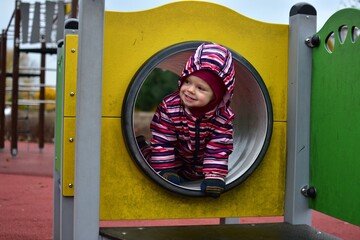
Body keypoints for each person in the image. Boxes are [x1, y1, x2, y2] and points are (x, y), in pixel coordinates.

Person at [138, 42, 235, 198]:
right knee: (150, 157)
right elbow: (163, 142)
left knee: (196, 175)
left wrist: (215, 176)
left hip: (197, 163)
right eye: (188, 82)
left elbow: (218, 148)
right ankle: (142, 146)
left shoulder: (222, 117)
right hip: (173, 155)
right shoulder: (170, 108)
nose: (190, 90)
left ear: (216, 96)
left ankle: (197, 173)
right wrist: (165, 170)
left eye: (200, 88)